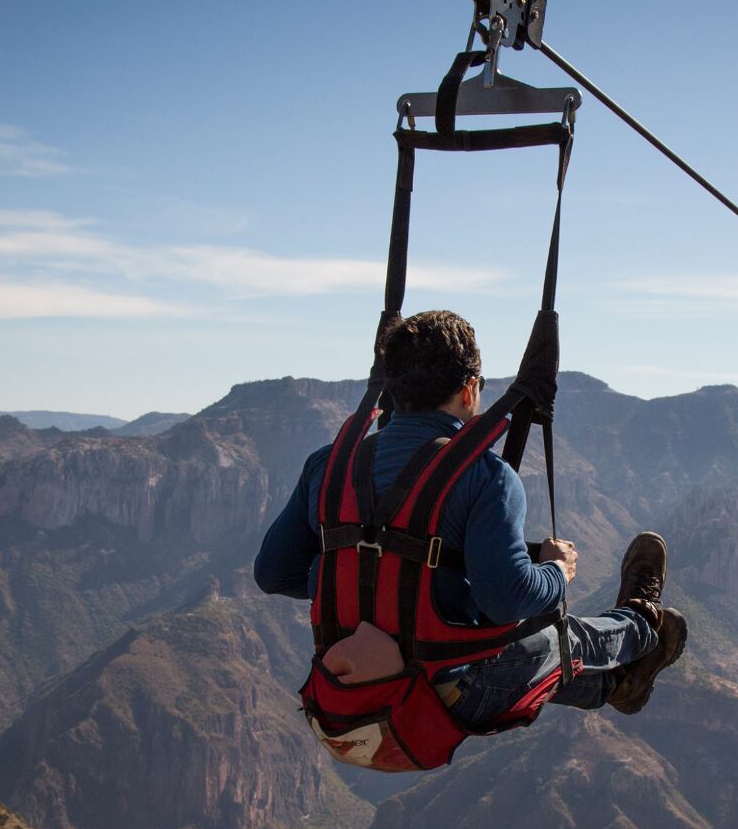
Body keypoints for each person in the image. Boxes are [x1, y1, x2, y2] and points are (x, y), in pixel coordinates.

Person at [254, 309, 687, 727]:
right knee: (557, 639)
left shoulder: (326, 466)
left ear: (392, 387)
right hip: (449, 690)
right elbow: (506, 598)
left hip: (348, 680)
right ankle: (644, 623)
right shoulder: (486, 477)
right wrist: (558, 570)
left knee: (530, 658)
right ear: (469, 391)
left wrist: (355, 576)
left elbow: (273, 573)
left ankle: (617, 684)